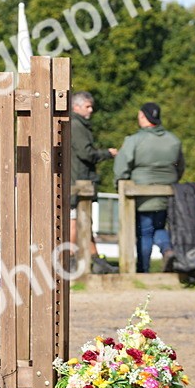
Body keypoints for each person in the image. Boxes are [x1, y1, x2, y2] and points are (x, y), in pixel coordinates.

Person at [114, 102, 185, 273]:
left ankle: (143, 270)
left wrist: (119, 183)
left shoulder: (134, 141)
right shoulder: (173, 140)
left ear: (143, 117)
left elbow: (121, 167)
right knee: (159, 228)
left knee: (144, 232)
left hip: (141, 196)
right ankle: (167, 250)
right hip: (166, 195)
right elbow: (180, 166)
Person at [69, 92, 118, 274]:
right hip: (77, 182)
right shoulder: (76, 125)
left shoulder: (78, 124)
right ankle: (69, 259)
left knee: (84, 221)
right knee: (74, 221)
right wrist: (107, 153)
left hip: (80, 180)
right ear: (76, 107)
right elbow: (86, 153)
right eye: (87, 106)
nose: (91, 110)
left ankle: (96, 259)